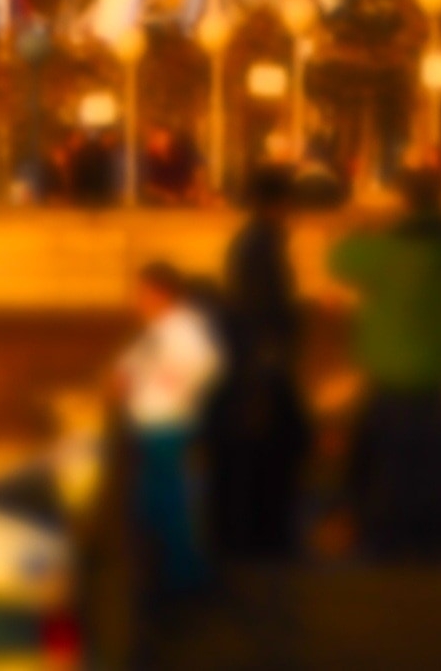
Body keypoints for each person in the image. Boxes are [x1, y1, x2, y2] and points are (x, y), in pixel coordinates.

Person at [329, 169, 441, 559]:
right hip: (435, 369)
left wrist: (367, 223)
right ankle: (430, 538)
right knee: (432, 464)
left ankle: (386, 538)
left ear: (402, 202)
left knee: (387, 462)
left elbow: (337, 259)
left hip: (387, 371)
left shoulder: (381, 252)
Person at [208, 193, 313, 562]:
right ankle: (268, 540)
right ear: (277, 205)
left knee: (252, 461)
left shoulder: (250, 245)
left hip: (251, 370)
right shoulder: (262, 248)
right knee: (274, 454)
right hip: (261, 370)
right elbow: (266, 310)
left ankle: (248, 539)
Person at [112, 262, 225, 601]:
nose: (137, 300)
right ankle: (176, 574)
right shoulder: (164, 328)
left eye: (142, 293)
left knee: (163, 503)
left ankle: (182, 577)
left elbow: (201, 366)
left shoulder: (181, 330)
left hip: (163, 424)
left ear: (160, 294)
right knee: (158, 502)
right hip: (154, 422)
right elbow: (130, 368)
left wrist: (162, 389)